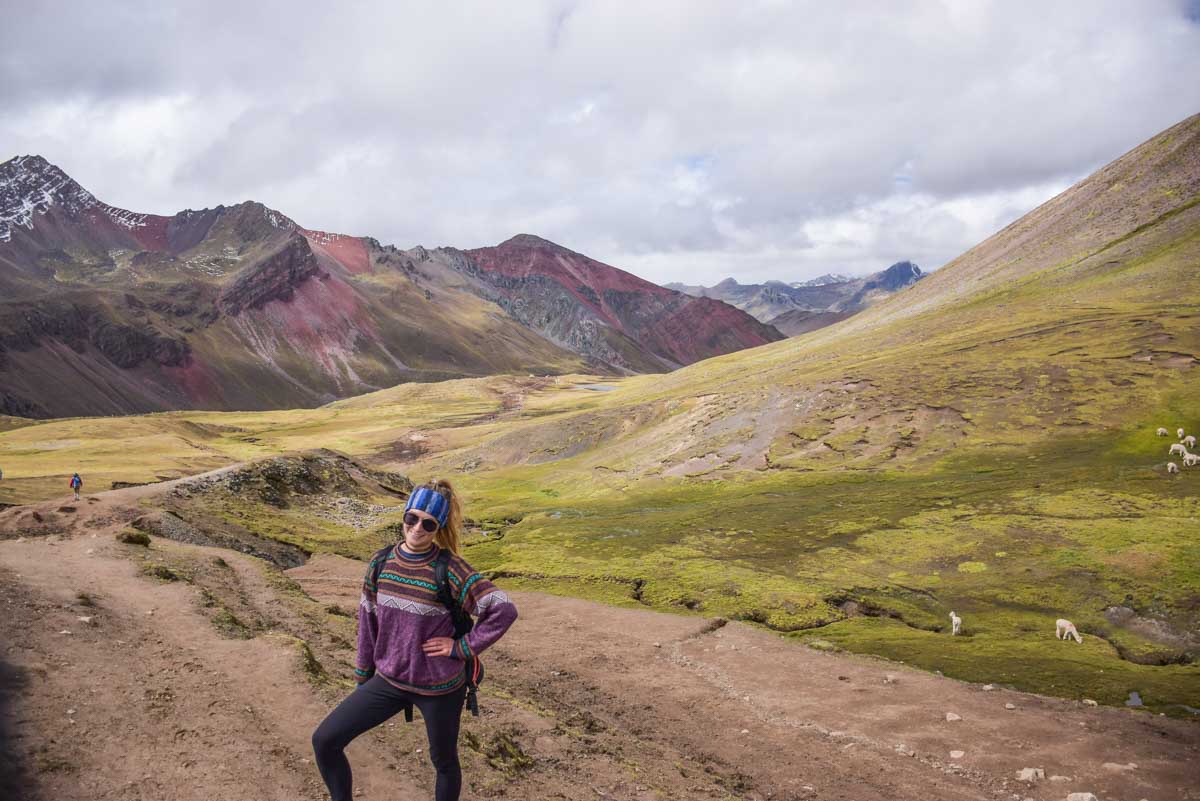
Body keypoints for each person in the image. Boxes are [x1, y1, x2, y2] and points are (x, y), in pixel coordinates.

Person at [312, 479, 518, 801]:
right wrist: (363, 677)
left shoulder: (450, 569)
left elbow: (503, 609)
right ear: (404, 515)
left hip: (440, 687)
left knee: (445, 762)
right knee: (325, 740)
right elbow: (368, 622)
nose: (417, 528)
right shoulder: (381, 563)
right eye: (412, 518)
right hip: (389, 681)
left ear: (438, 527)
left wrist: (462, 647)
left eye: (428, 523)